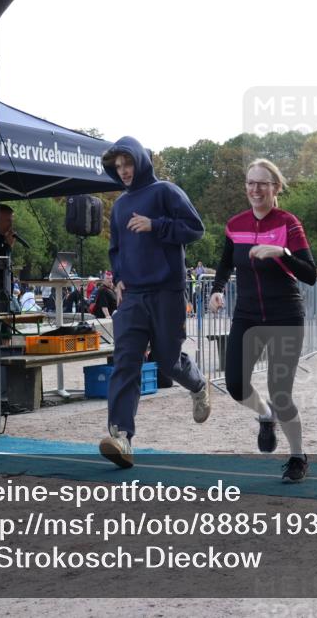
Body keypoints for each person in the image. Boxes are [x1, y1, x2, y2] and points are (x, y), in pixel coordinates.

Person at [97, 137, 210, 469]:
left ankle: (198, 385)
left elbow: (195, 229)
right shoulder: (118, 206)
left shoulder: (166, 192)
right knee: (125, 362)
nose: (123, 171)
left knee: (166, 361)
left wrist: (155, 225)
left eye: (127, 163)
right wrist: (117, 277)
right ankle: (121, 436)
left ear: (140, 160)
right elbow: (116, 249)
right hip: (132, 297)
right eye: (117, 167)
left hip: (167, 292)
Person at [207, 159, 317, 482]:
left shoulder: (288, 223)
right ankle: (265, 416)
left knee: (280, 392)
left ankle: (298, 457)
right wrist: (217, 290)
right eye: (250, 183)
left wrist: (281, 252)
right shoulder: (235, 224)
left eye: (262, 184)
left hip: (285, 315)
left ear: (276, 188)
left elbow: (310, 274)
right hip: (248, 315)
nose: (255, 189)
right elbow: (226, 263)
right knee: (235, 384)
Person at [0, 204, 18, 314]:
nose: (11, 225)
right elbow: (0, 261)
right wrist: (8, 246)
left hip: (6, 289)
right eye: (8, 221)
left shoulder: (5, 239)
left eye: (12, 221)